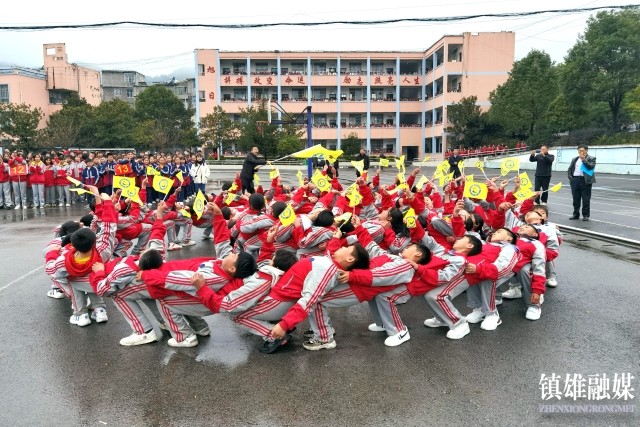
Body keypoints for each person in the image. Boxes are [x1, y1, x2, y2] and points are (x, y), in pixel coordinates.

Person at [567, 144, 596, 221]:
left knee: (586, 199)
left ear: (586, 150)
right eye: (579, 151)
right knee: (575, 198)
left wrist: (584, 160)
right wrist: (571, 178)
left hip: (585, 180)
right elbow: (570, 169)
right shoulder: (575, 159)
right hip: (575, 180)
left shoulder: (591, 158)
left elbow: (591, 167)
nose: (580, 152)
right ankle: (576, 214)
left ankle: (586, 215)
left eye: (582, 151)